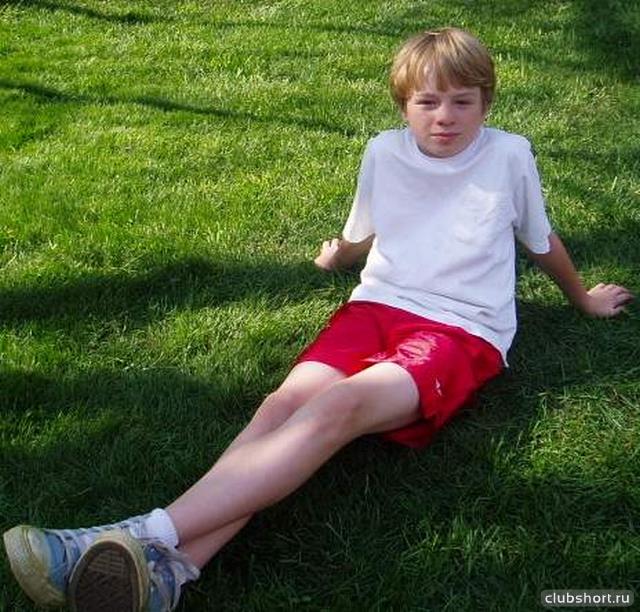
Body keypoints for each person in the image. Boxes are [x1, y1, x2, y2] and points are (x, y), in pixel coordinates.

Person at [3, 27, 633, 612]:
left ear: (487, 103)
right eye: (428, 102)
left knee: (337, 410)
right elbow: (368, 227)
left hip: (461, 330)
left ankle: (134, 535)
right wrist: (341, 254)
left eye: (463, 102)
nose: (445, 118)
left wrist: (583, 299)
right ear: (403, 105)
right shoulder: (384, 152)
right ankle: (174, 572)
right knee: (280, 407)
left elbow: (539, 238)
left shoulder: (509, 155)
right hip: (378, 306)